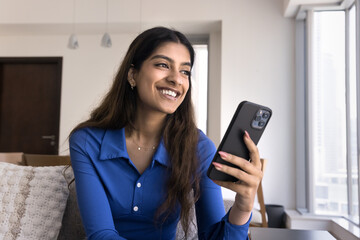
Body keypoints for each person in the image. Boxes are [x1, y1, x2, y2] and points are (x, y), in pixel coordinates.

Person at [69, 26, 263, 240]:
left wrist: (243, 208)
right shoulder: (87, 141)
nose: (176, 79)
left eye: (185, 71)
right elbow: (101, 234)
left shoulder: (199, 147)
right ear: (132, 74)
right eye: (163, 65)